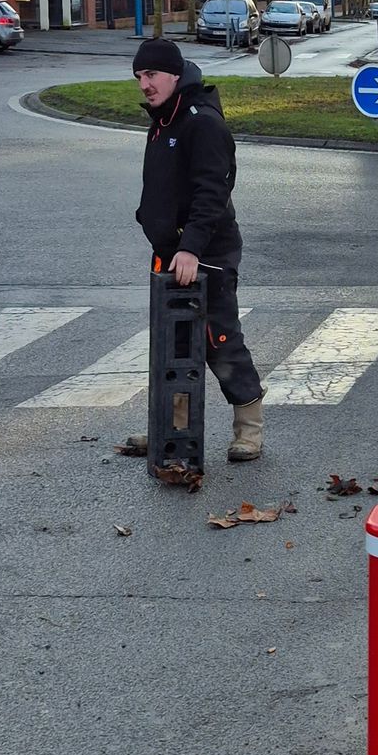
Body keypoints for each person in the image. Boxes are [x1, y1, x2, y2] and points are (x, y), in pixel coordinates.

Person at [127, 36, 265, 462]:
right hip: (172, 252)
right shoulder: (163, 120)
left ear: (174, 74)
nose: (144, 85)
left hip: (207, 253)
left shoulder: (201, 121)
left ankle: (250, 430)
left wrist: (190, 248)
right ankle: (173, 428)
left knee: (219, 339)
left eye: (150, 75)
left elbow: (213, 192)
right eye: (138, 77)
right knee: (175, 343)